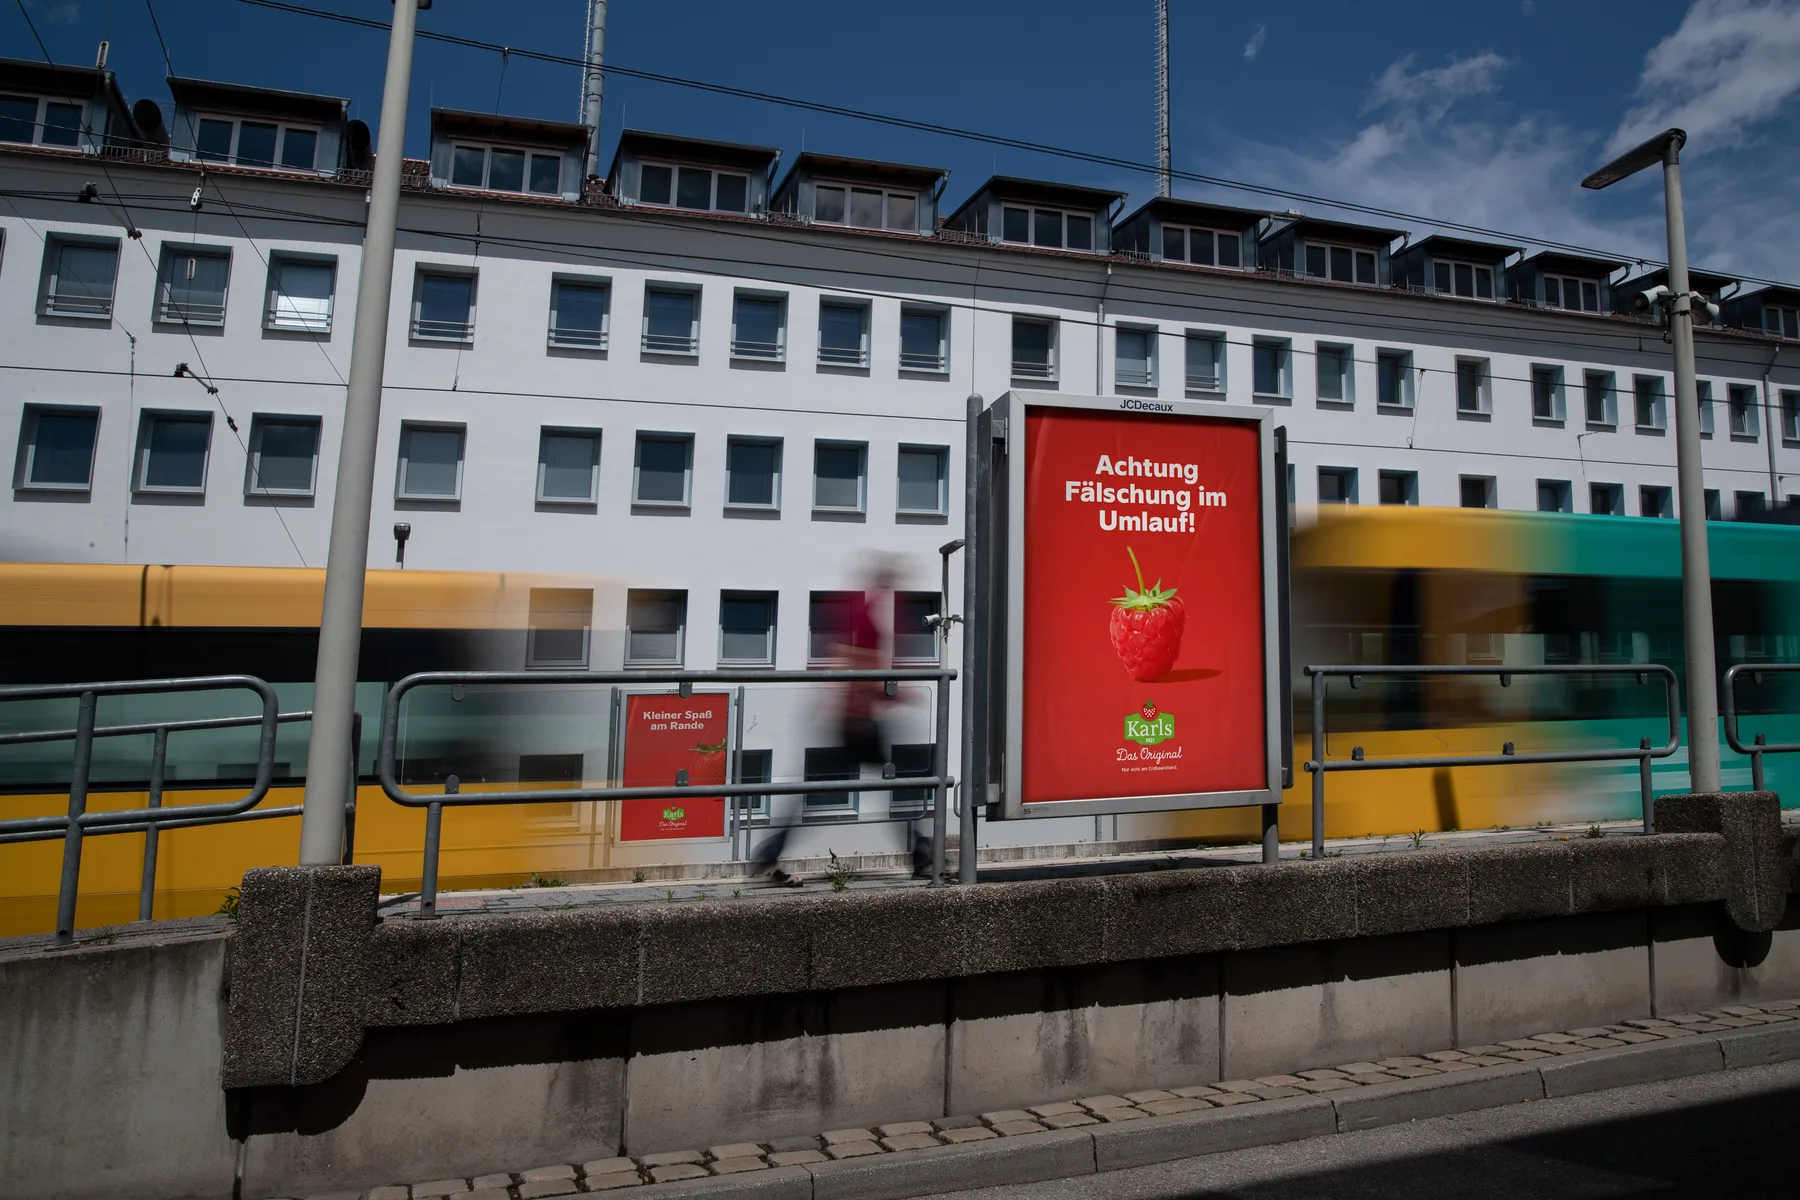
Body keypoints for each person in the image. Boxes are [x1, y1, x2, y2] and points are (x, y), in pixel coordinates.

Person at [750, 565, 933, 885]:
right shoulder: (868, 619)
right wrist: (897, 695)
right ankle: (921, 855)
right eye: (893, 580)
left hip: (853, 719)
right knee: (887, 782)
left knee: (828, 787)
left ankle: (769, 854)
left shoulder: (865, 614)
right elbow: (861, 668)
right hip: (857, 722)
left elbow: (854, 663)